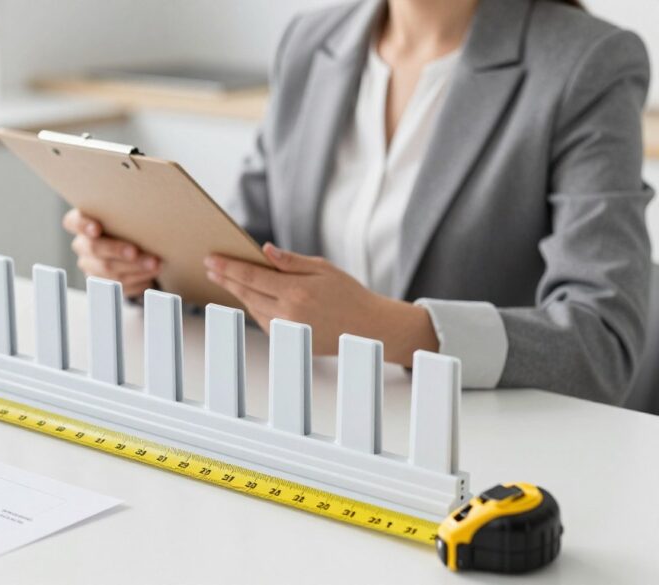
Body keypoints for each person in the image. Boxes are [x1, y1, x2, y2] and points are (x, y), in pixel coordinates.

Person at [62, 0, 653, 405]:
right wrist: (151, 268)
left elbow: (602, 343)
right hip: (307, 421)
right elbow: (249, 250)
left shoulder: (586, 62)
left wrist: (384, 328)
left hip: (488, 456)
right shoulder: (312, 41)